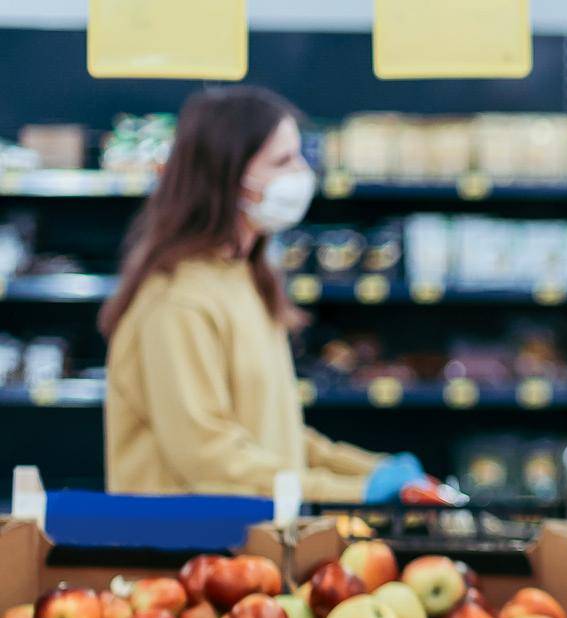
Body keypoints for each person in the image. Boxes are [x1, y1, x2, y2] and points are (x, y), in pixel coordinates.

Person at [100, 86, 423, 502]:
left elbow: (273, 434)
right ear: (228, 178)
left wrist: (370, 468)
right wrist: (354, 491)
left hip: (247, 548)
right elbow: (209, 460)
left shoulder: (242, 278)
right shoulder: (178, 302)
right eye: (283, 161)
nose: (302, 174)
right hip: (188, 558)